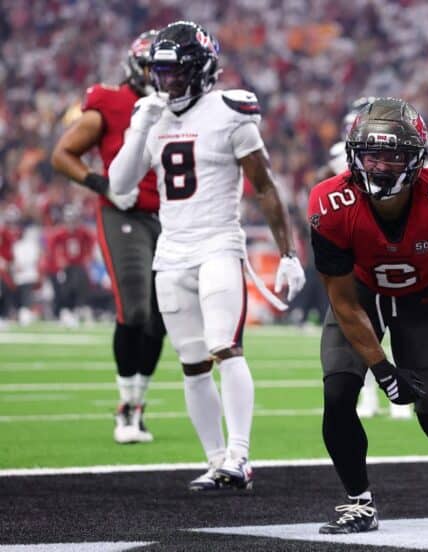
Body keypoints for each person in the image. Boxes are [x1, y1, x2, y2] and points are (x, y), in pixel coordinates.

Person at [108, 21, 305, 490]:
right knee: (192, 363)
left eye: (175, 73)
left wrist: (288, 253)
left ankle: (239, 454)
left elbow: (264, 186)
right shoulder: (150, 116)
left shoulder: (229, 111)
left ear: (200, 72)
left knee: (226, 347)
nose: (165, 82)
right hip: (170, 254)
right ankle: (216, 460)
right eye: (159, 72)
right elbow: (119, 185)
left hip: (218, 244)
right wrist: (140, 125)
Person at [308, 98, 428, 534]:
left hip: (423, 297)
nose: (380, 166)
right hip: (359, 297)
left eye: (393, 154)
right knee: (338, 393)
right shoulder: (329, 202)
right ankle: (359, 502)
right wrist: (382, 369)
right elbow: (341, 299)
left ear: (416, 159)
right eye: (371, 154)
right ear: (354, 155)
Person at [51, 30, 165, 444]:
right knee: (134, 310)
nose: (165, 74)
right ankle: (124, 406)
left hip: (170, 217)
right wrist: (104, 185)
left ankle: (137, 405)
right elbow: (63, 153)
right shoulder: (111, 101)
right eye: (159, 66)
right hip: (125, 213)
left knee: (159, 317)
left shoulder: (182, 106)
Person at [323, 96, 412, 420]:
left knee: (403, 324)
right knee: (361, 327)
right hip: (359, 249)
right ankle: (372, 394)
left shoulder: (405, 151)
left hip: (398, 248)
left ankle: (404, 395)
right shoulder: (341, 157)